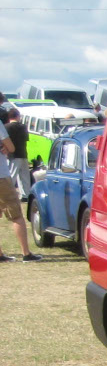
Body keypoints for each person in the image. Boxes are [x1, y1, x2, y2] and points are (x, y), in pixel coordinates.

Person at [0, 128, 38, 261]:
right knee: (16, 216)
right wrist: (5, 146)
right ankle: (26, 253)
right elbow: (11, 147)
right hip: (1, 177)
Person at [5, 108, 32, 202]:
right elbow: (26, 139)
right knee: (24, 175)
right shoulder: (23, 127)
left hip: (12, 155)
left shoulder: (6, 127)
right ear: (17, 116)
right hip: (23, 153)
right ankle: (25, 195)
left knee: (11, 175)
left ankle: (8, 194)